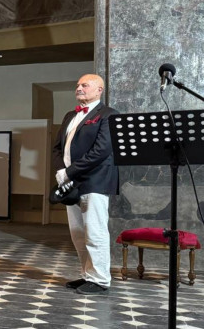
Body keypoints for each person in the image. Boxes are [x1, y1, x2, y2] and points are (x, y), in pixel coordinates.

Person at [52, 74, 119, 295]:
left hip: (95, 180)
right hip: (71, 182)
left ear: (99, 89)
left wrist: (69, 171)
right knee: (78, 232)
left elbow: (101, 151)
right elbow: (57, 148)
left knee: (95, 231)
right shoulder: (70, 115)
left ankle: (100, 279)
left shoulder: (108, 115)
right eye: (77, 84)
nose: (79, 88)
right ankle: (87, 275)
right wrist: (61, 172)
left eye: (85, 85)